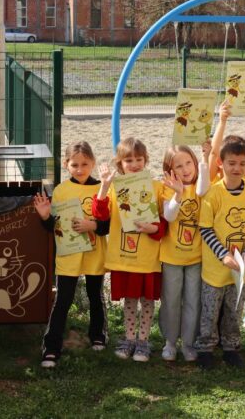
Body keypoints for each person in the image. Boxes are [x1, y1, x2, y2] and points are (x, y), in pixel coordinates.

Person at [32, 141, 109, 369]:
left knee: (96, 296)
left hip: (94, 254)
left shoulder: (102, 188)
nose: (80, 169)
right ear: (66, 164)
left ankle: (98, 335)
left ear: (93, 163)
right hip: (69, 256)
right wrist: (45, 216)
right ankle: (52, 347)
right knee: (62, 301)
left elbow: (107, 225)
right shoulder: (61, 190)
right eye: (74, 164)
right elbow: (54, 228)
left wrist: (91, 225)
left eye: (85, 164)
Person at [92, 137, 166, 363]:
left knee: (147, 301)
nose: (134, 164)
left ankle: (143, 342)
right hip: (124, 257)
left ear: (146, 160)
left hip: (148, 258)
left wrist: (152, 227)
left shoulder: (156, 187)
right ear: (120, 163)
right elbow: (100, 215)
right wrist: (104, 186)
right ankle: (129, 338)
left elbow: (164, 224)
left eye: (139, 159)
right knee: (130, 300)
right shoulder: (115, 188)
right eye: (129, 160)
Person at [195, 136, 245, 369]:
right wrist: (222, 254)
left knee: (234, 310)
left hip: (242, 269)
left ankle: (231, 347)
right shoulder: (213, 194)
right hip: (215, 269)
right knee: (210, 311)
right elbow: (205, 228)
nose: (237, 168)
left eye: (242, 163)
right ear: (221, 164)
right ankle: (205, 348)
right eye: (232, 163)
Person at [158, 142, 211, 362]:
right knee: (170, 299)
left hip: (196, 258)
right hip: (171, 256)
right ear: (169, 170)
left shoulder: (202, 187)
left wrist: (206, 158)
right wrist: (178, 195)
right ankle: (170, 341)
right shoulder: (166, 188)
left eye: (189, 163)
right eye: (178, 166)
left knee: (193, 300)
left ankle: (189, 343)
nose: (186, 169)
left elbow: (201, 188)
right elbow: (169, 216)